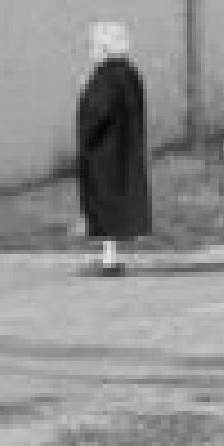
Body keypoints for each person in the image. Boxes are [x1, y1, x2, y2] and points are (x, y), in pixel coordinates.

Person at [73, 20, 154, 273]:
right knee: (114, 202)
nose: (90, 51)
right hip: (125, 147)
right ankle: (110, 255)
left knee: (104, 202)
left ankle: (110, 259)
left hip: (104, 151)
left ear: (103, 47)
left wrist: (84, 97)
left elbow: (97, 111)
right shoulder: (130, 73)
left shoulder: (104, 76)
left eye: (93, 45)